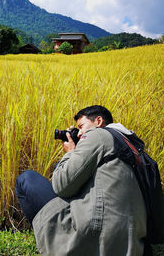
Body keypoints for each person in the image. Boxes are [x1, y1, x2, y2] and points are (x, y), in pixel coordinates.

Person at [15, 105, 147, 256]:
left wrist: (71, 153)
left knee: (26, 179)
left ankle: (55, 243)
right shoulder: (129, 143)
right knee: (62, 169)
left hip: (95, 240)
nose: (79, 133)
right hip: (131, 245)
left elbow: (61, 186)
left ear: (98, 121)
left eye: (81, 126)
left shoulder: (98, 135)